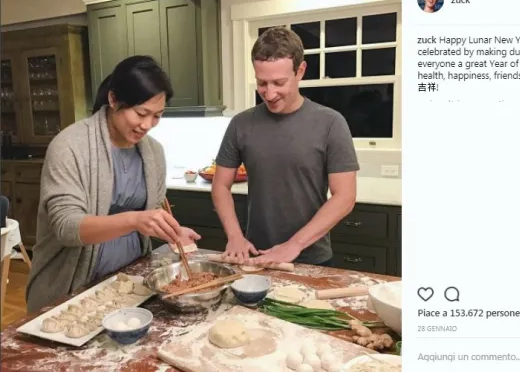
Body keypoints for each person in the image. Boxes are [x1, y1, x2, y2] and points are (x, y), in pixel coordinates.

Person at [26, 55, 200, 313]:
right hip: (71, 290)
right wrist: (134, 220)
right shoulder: (70, 147)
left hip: (130, 284)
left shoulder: (153, 152)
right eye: (141, 113)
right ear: (113, 99)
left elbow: (151, 212)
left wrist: (170, 230)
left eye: (157, 116)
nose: (147, 125)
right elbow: (67, 227)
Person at [211, 27, 359, 266]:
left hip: (311, 259)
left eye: (279, 83)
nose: (269, 94)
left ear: (300, 71)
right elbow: (220, 185)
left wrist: (294, 245)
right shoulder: (241, 124)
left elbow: (345, 197)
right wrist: (235, 236)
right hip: (254, 255)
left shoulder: (331, 123)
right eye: (262, 83)